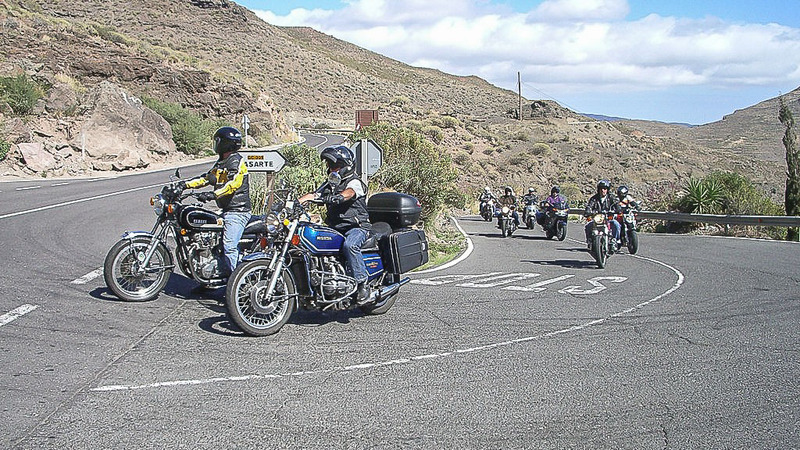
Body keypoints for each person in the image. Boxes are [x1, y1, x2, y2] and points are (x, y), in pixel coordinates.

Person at [298, 145, 372, 303]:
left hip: (356, 227)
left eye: (336, 166)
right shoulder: (329, 184)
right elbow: (314, 194)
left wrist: (339, 197)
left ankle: (362, 284)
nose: (332, 169)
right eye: (330, 166)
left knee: (350, 246)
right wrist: (296, 203)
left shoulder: (354, 182)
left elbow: (350, 192)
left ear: (346, 166)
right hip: (335, 228)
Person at [180, 126, 251, 278]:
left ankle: (239, 284)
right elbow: (206, 178)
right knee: (209, 242)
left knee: (229, 247)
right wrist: (183, 185)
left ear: (225, 143)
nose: (215, 144)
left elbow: (232, 184)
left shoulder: (237, 162)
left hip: (238, 212)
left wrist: (213, 195)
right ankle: (207, 279)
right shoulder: (222, 162)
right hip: (226, 210)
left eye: (217, 141)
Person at [584, 180, 621, 248]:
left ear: (607, 190)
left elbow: (617, 205)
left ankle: (615, 240)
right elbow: (589, 206)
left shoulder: (611, 198)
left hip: (608, 218)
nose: (603, 190)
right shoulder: (594, 199)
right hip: (597, 218)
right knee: (588, 226)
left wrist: (616, 210)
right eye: (601, 189)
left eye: (605, 189)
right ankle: (589, 241)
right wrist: (588, 211)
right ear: (598, 189)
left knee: (616, 224)